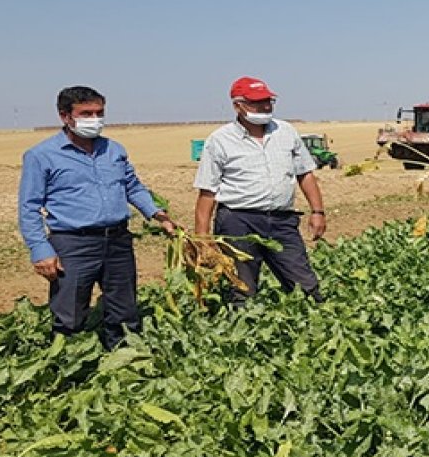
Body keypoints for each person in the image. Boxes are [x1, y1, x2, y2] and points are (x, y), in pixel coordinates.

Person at [18, 86, 176, 349]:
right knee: (70, 313)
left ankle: (125, 361)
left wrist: (158, 214)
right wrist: (39, 249)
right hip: (73, 243)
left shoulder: (114, 150)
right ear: (65, 116)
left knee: (124, 310)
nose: (95, 119)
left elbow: (133, 187)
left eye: (99, 113)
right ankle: (68, 364)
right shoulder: (41, 155)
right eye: (86, 113)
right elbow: (29, 207)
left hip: (117, 241)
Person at [193, 77, 327, 304]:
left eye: (268, 101)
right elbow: (207, 192)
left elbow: (305, 174)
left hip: (282, 221)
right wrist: (203, 239)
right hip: (238, 221)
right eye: (257, 103)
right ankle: (241, 332)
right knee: (242, 289)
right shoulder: (220, 140)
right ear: (238, 105)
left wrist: (318, 211)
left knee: (305, 287)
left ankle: (313, 326)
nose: (265, 107)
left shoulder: (286, 132)